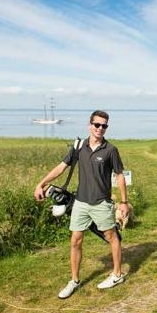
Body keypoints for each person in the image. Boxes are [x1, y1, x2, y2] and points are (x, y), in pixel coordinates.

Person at [34, 110, 129, 299]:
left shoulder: (110, 150)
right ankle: (74, 281)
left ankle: (117, 274)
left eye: (104, 126)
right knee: (75, 240)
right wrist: (41, 183)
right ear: (90, 125)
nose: (100, 128)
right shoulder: (79, 146)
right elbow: (61, 167)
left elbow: (119, 175)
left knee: (111, 236)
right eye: (97, 125)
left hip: (101, 202)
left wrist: (124, 202)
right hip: (80, 202)